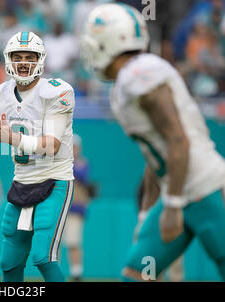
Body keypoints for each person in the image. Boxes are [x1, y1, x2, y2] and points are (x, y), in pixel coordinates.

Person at [82, 3, 225, 281]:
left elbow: (177, 139)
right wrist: (147, 212)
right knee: (138, 272)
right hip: (180, 189)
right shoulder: (127, 81)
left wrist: (171, 205)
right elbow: (155, 156)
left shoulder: (139, 74)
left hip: (204, 190)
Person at [0, 31, 75, 282]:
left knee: (43, 257)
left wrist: (10, 137)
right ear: (8, 60)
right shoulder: (0, 93)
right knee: (8, 263)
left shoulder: (56, 91)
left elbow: (52, 145)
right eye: (18, 56)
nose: (24, 62)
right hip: (21, 181)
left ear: (40, 60)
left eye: (30, 57)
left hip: (54, 179)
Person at [62, 135, 91, 282]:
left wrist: (66, 162)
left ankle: (76, 273)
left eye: (75, 146)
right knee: (55, 244)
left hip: (75, 209)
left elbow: (81, 175)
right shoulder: (62, 162)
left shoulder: (83, 163)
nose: (73, 149)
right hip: (61, 208)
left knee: (74, 242)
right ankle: (56, 273)